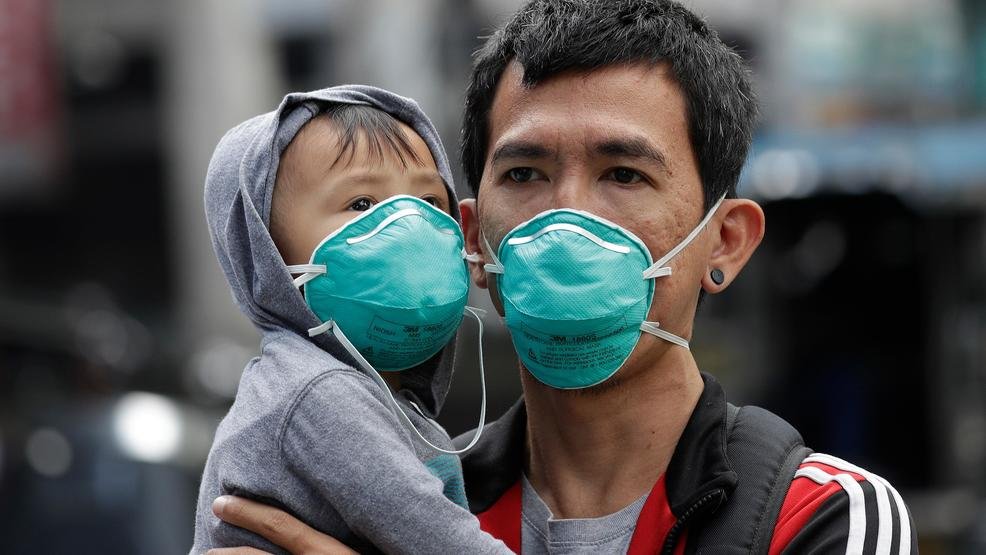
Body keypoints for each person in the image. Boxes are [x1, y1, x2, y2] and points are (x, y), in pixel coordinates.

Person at [207, 1, 918, 553]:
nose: (565, 217)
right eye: (524, 174)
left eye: (624, 174)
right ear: (470, 238)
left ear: (725, 242)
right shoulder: (402, 499)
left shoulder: (817, 514)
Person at [191, 84, 511, 554]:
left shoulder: (375, 396)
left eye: (429, 202)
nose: (409, 227)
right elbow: (445, 544)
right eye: (362, 204)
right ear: (267, 253)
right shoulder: (317, 392)